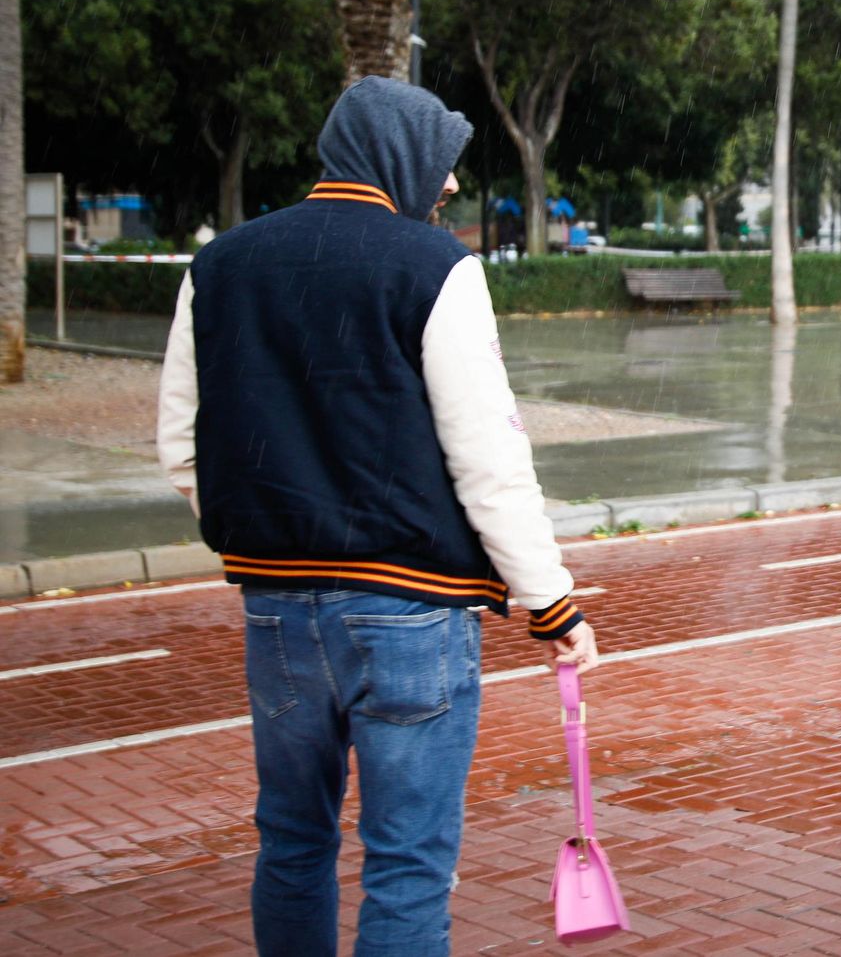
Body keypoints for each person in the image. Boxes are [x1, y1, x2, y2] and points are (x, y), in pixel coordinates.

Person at [156, 76, 598, 957]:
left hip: (277, 611)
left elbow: (181, 442)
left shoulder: (221, 266)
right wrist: (550, 601)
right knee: (406, 863)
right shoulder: (435, 267)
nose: (447, 191)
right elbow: (489, 457)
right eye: (441, 169)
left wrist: (272, 529)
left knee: (291, 839)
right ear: (398, 158)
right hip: (410, 614)